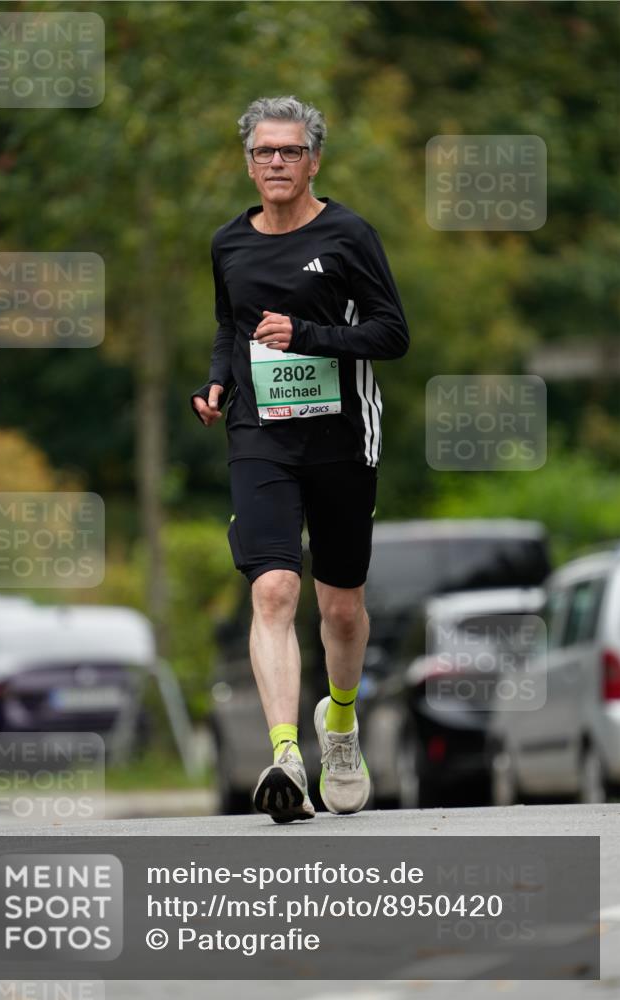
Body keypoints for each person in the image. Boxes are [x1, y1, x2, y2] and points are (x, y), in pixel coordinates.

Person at [192, 95, 409, 823]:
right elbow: (230, 324)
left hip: (342, 437)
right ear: (248, 162)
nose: (276, 163)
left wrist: (311, 336)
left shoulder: (347, 234)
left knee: (340, 607)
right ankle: (284, 754)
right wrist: (218, 379)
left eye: (288, 151)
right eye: (263, 152)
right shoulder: (229, 243)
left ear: (313, 159)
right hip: (260, 437)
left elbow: (390, 334)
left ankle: (339, 728)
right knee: (273, 590)